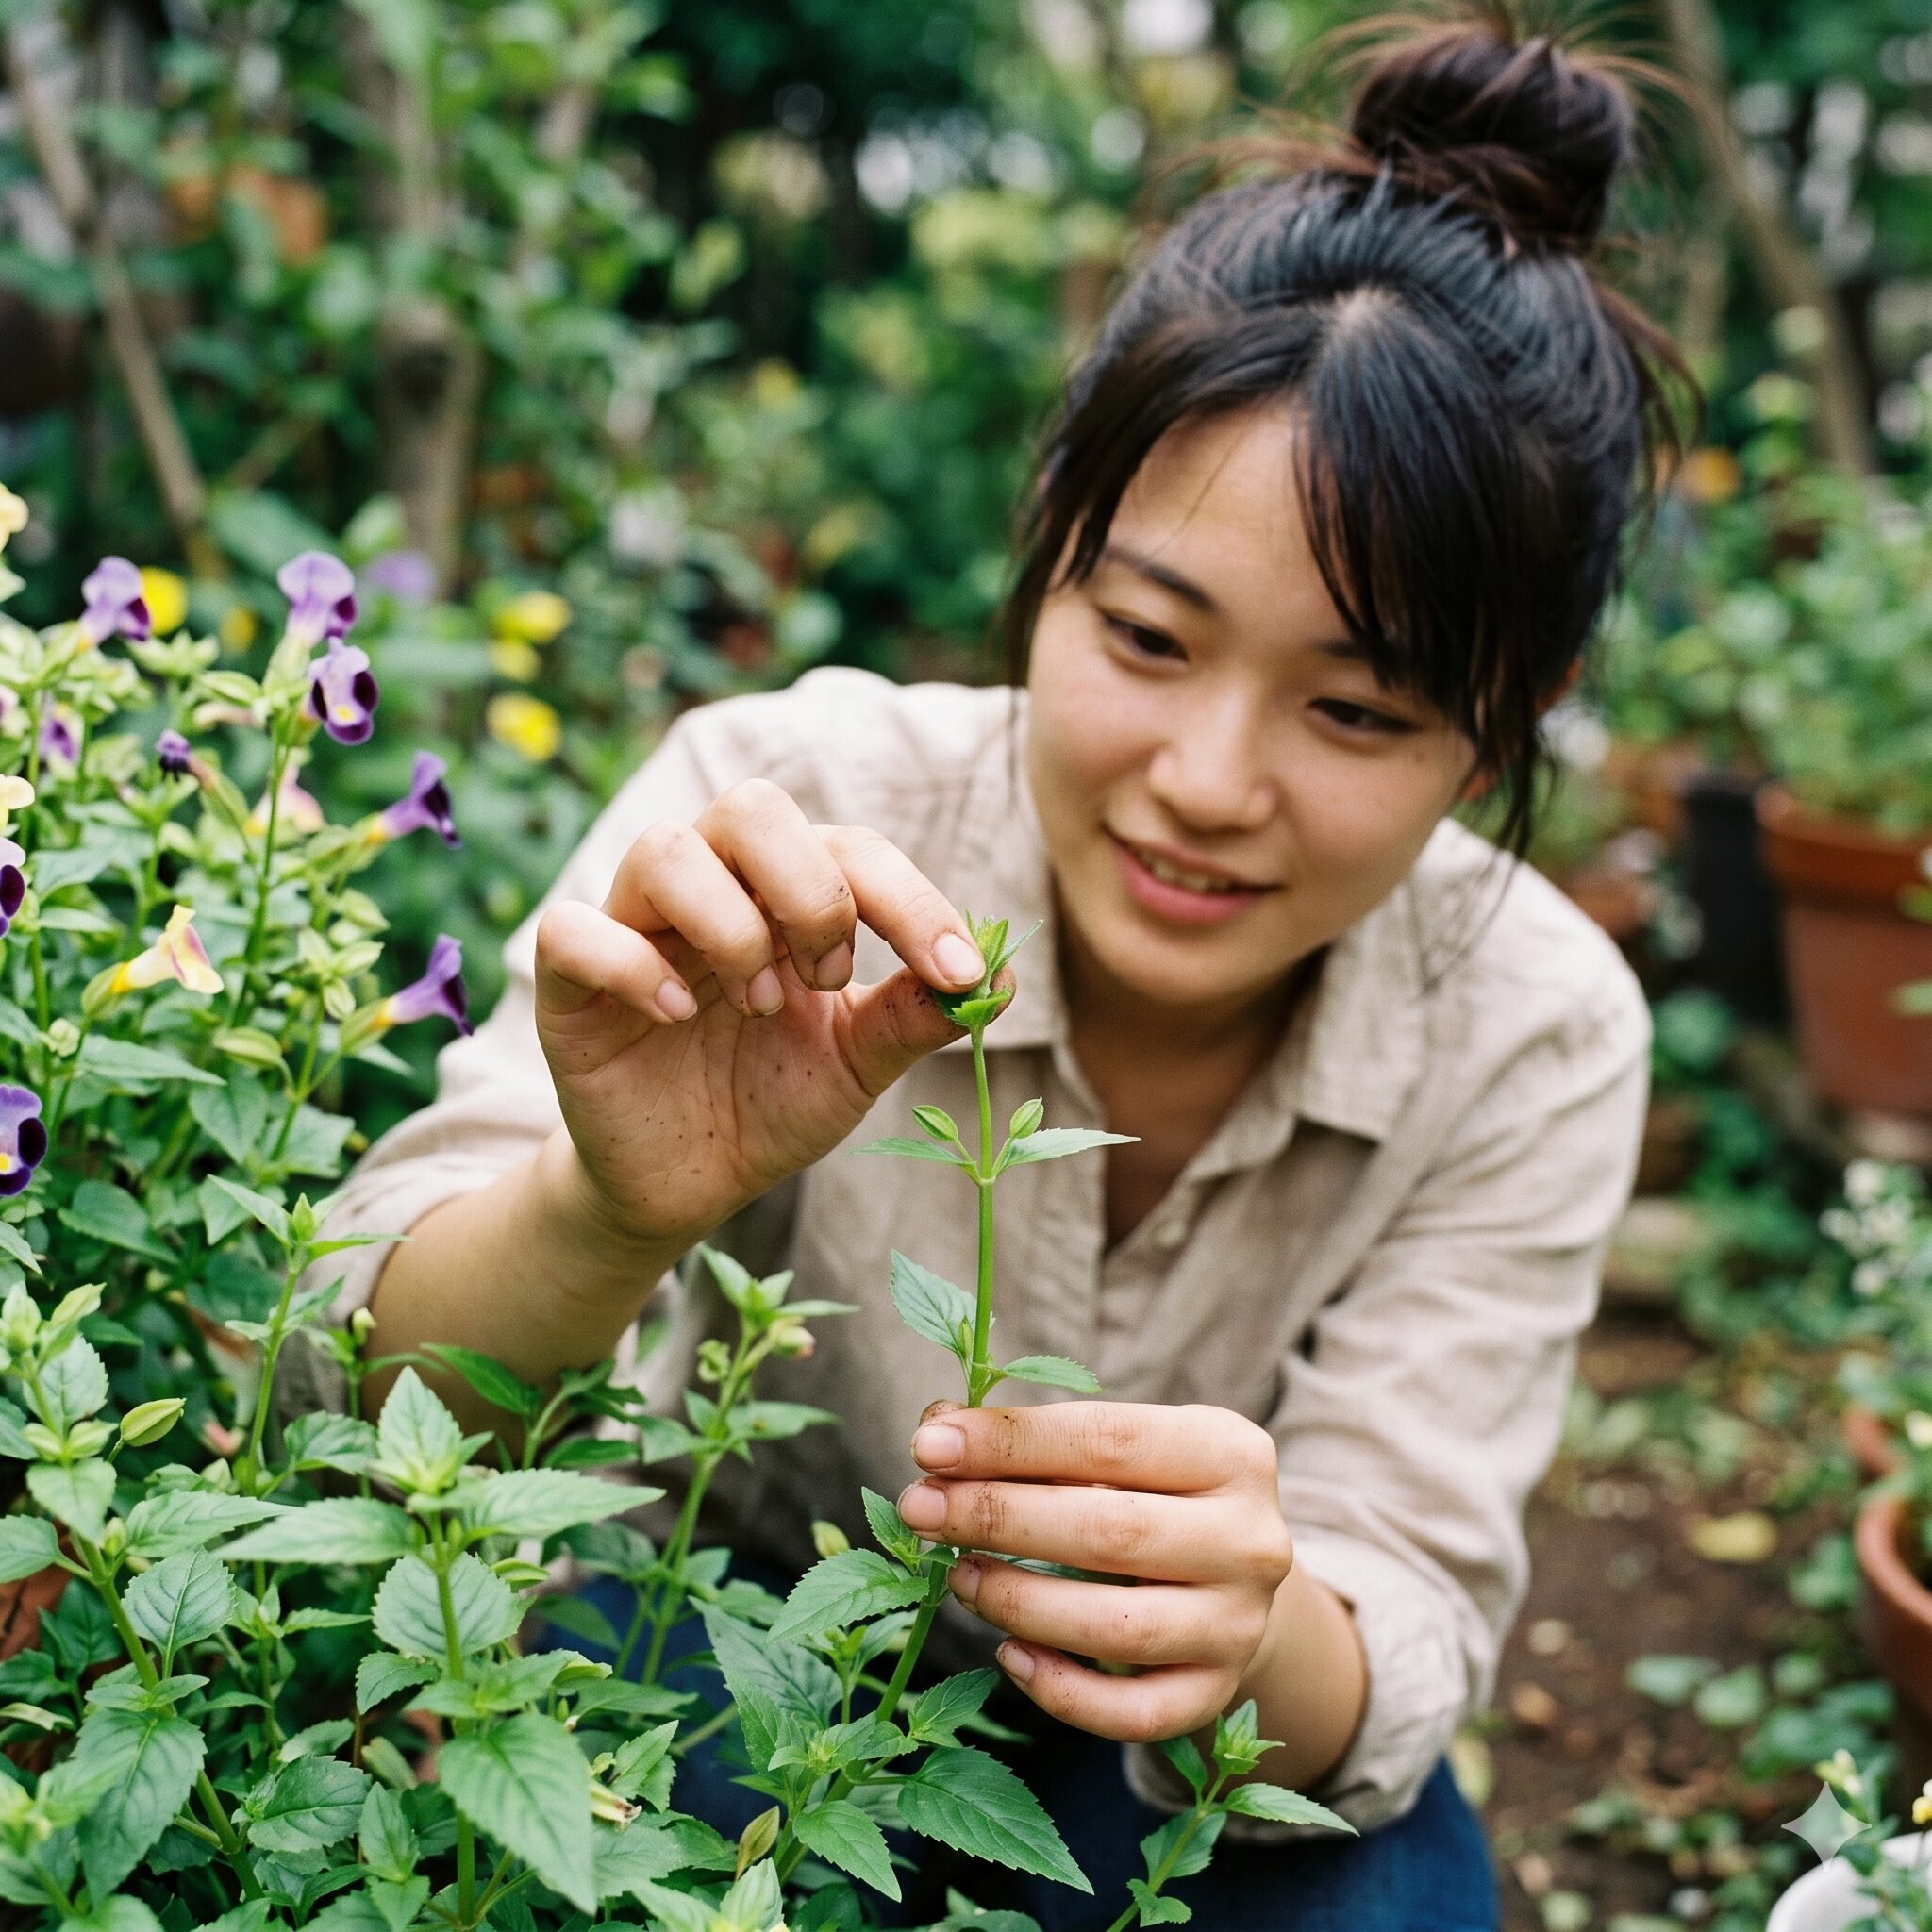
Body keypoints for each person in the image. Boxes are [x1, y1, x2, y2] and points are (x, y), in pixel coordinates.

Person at [305, 12, 1682, 1927]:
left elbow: (1399, 1607)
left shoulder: (1528, 1021)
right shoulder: (777, 807)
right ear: (1051, 554)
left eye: (1357, 710)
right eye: (1144, 633)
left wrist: (1252, 1620)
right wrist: (600, 1208)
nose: (1206, 787)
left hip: (1176, 1750)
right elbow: (332, 1384)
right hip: (737, 1638)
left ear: (1503, 723)